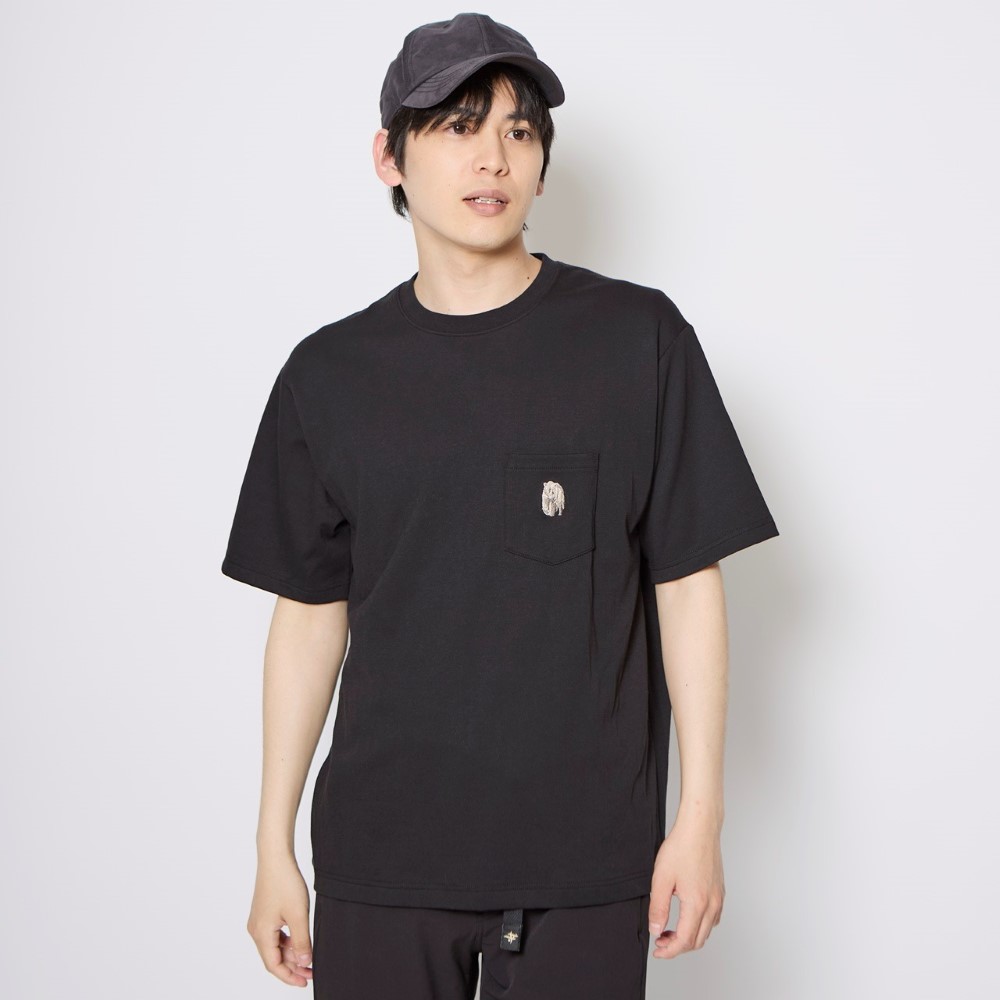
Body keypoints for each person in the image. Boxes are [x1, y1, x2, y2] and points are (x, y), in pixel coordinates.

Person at [221, 12, 780, 999]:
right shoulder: (330, 374)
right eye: (458, 127)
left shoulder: (637, 339)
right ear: (389, 158)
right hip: (383, 858)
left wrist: (699, 820)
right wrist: (273, 845)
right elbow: (308, 614)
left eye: (519, 131)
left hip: (587, 862)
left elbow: (688, 581)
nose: (493, 157)